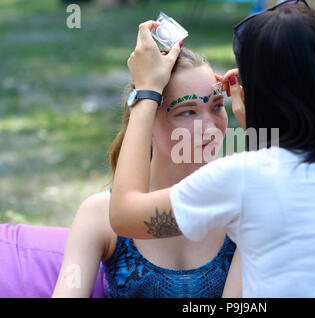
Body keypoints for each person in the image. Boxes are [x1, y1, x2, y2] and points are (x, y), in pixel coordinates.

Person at [109, 1, 315, 297]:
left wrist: (147, 91)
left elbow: (124, 215)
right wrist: (260, 124)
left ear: (263, 97)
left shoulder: (243, 178)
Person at [52, 47, 241, 298]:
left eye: (217, 106)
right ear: (145, 121)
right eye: (187, 112)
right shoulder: (98, 215)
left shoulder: (241, 203)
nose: (210, 129)